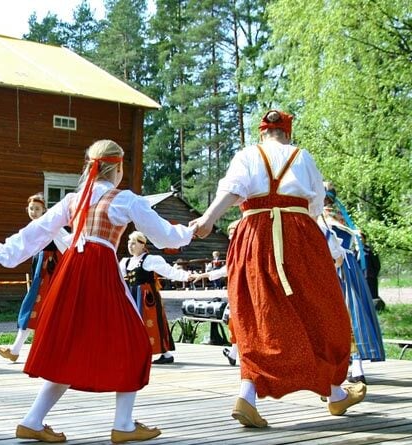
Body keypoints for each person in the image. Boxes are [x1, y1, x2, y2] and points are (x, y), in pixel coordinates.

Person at [0, 139, 194, 443]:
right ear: (119, 167)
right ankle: (123, 425)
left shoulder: (74, 199)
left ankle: (32, 420)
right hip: (100, 270)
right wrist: (191, 230)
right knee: (137, 342)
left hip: (73, 269)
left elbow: (36, 232)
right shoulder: (123, 199)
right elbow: (164, 235)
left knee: (69, 344)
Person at [191, 110, 365, 428]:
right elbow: (316, 210)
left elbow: (230, 191)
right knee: (320, 310)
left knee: (257, 313)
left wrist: (208, 220)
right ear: (287, 133)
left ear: (263, 133)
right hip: (299, 236)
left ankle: (251, 394)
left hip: (254, 237)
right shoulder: (302, 157)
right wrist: (334, 249)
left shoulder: (247, 155)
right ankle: (335, 392)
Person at [0, 193, 69, 363]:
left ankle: (27, 350)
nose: (34, 212)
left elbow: (67, 244)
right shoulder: (33, 227)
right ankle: (16, 349)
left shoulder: (51, 226)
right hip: (41, 272)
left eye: (37, 209)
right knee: (34, 309)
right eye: (31, 209)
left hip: (51, 272)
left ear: (44, 210)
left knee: (43, 308)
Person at [323, 186, 385, 384]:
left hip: (338, 266)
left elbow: (332, 230)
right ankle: (353, 367)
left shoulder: (324, 215)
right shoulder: (338, 214)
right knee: (351, 313)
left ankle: (349, 367)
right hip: (349, 268)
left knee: (344, 314)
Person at [120, 231, 196, 365]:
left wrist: (186, 276)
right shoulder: (125, 262)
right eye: (128, 243)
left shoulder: (150, 259)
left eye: (133, 243)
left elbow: (169, 271)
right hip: (131, 297)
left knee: (152, 322)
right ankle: (136, 352)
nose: (130, 246)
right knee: (132, 324)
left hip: (147, 297)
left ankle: (165, 354)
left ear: (142, 245)